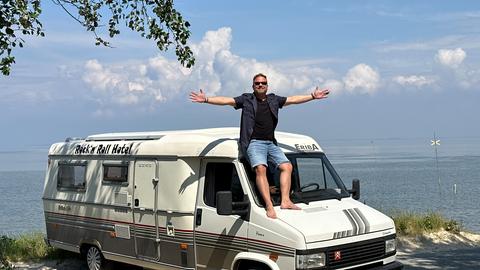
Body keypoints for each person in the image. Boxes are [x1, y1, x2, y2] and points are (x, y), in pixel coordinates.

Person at [190, 73, 329, 218]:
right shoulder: (246, 99)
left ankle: (285, 201)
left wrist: (312, 96)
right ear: (253, 86)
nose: (260, 85)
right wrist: (206, 99)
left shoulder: (274, 100)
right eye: (257, 83)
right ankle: (269, 206)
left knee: (287, 167)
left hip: (271, 142)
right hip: (254, 142)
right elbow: (226, 101)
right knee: (261, 169)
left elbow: (293, 100)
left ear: (267, 86)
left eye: (263, 83)